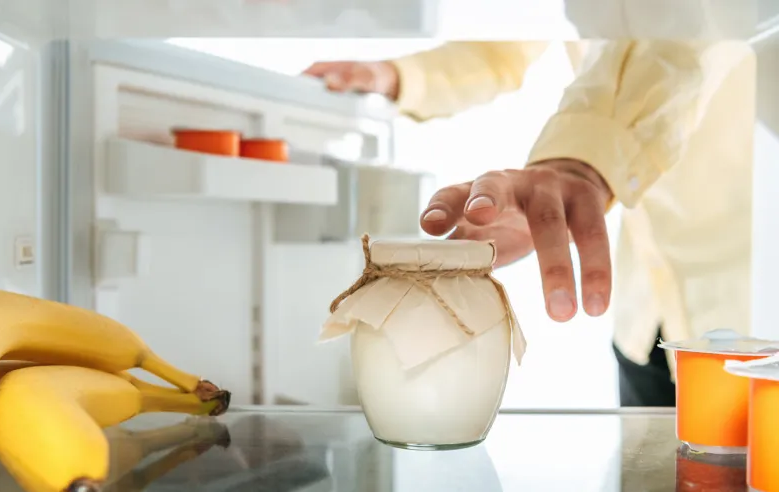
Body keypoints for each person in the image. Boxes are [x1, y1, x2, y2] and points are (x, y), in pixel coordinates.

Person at [304, 39, 756, 407]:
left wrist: (583, 161)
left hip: (746, 316)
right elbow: (508, 35)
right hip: (644, 317)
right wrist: (400, 76)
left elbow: (687, 31)